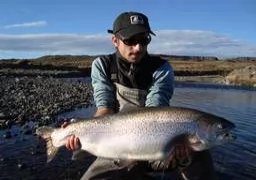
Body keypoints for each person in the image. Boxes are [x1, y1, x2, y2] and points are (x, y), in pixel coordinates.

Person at [63, 11, 216, 180]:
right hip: (116, 145)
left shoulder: (161, 68)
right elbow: (104, 110)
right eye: (130, 40)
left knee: (199, 152)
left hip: (158, 146)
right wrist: (78, 131)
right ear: (115, 40)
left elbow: (155, 112)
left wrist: (184, 148)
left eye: (144, 40)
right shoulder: (103, 66)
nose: (138, 47)